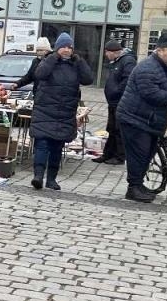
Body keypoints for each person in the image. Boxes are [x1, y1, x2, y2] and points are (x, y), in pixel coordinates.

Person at [117, 32, 167, 202]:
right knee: (139, 153)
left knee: (147, 153)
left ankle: (139, 185)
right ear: (158, 51)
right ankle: (133, 188)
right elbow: (154, 95)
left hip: (150, 119)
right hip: (134, 118)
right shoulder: (148, 68)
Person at [27, 33, 93, 191]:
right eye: (63, 46)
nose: (66, 50)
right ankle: (38, 176)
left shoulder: (75, 64)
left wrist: (80, 61)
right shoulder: (48, 60)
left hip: (65, 112)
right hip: (45, 110)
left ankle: (51, 179)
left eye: (69, 47)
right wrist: (53, 57)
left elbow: (88, 79)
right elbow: (40, 74)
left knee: (57, 146)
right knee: (42, 143)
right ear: (57, 48)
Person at [99, 39, 135, 164]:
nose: (106, 55)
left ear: (114, 52)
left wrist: (116, 91)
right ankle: (107, 154)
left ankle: (119, 157)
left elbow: (127, 81)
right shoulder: (116, 61)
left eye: (107, 52)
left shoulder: (127, 61)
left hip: (121, 102)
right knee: (111, 129)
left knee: (119, 129)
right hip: (113, 102)